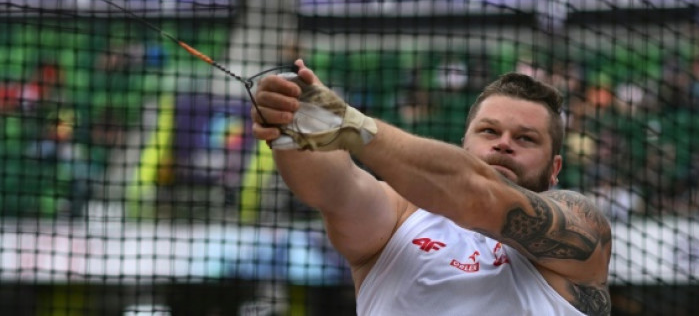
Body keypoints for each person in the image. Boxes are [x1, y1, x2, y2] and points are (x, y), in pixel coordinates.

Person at [251, 60, 611, 316]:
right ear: (463, 143)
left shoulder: (580, 224)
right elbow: (333, 188)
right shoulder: (399, 216)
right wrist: (291, 127)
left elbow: (477, 194)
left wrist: (352, 126)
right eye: (489, 131)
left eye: (525, 138)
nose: (503, 144)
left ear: (555, 169)